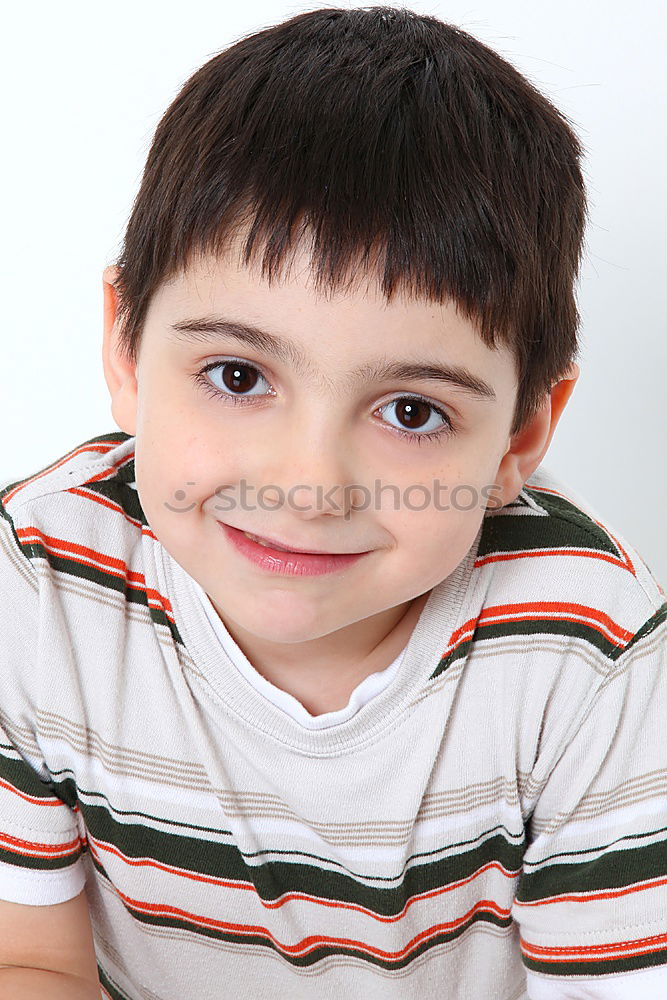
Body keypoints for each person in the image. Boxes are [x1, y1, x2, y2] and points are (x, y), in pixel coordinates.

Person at [1, 6, 665, 999]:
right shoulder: (42, 581)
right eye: (235, 375)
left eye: (410, 409)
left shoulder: (587, 651)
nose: (308, 484)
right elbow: (30, 959)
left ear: (521, 436)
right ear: (126, 349)